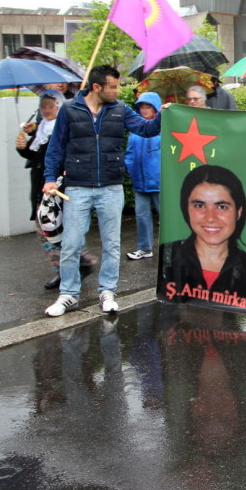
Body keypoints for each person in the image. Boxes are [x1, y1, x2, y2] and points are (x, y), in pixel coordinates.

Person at [42, 65, 162, 317]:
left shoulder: (120, 109)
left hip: (111, 187)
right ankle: (68, 294)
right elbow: (56, 148)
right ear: (97, 87)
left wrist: (162, 114)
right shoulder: (69, 110)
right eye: (113, 86)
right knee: (71, 244)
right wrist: (50, 178)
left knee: (112, 245)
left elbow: (147, 129)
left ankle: (107, 291)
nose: (117, 91)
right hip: (77, 186)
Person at [16, 90, 94, 290]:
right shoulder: (41, 128)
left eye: (51, 106)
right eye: (43, 106)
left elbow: (56, 157)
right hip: (41, 187)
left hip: (57, 187)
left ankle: (73, 266)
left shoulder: (62, 129)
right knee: (50, 230)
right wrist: (23, 147)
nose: (46, 110)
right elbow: (35, 157)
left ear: (59, 107)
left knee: (53, 229)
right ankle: (74, 265)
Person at [160, 164, 246, 309]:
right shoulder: (166, 257)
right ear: (186, 209)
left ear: (238, 212)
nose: (210, 218)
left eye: (222, 207)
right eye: (199, 206)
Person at [125, 91, 162, 260]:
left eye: (148, 106)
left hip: (159, 182)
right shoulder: (135, 129)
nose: (144, 110)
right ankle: (145, 248)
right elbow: (129, 152)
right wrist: (130, 168)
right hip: (139, 182)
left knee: (166, 218)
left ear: (155, 108)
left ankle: (173, 248)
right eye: (142, 107)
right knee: (141, 216)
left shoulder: (163, 128)